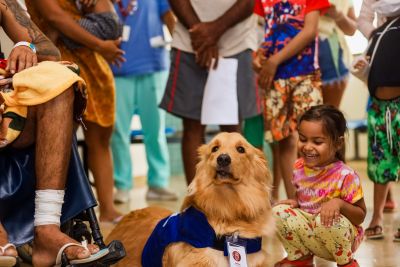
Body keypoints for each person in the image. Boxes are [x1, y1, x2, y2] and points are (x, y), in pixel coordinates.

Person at [0, 1, 105, 266]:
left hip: (6, 102)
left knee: (59, 80)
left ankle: (46, 229)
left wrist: (25, 45)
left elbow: (50, 52)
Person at [26, 0, 125, 223]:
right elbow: (54, 17)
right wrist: (100, 45)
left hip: (93, 61)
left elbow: (109, 20)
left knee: (100, 140)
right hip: (56, 58)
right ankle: (55, 215)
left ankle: (107, 208)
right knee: (56, 140)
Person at [159, 0, 263, 185]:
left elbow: (249, 3)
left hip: (237, 41)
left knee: (233, 129)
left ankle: (238, 201)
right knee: (192, 127)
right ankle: (195, 202)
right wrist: (202, 34)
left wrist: (212, 31)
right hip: (190, 40)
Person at [253, 0, 330, 200]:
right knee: (284, 142)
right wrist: (257, 56)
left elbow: (310, 30)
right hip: (274, 78)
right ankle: (295, 202)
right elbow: (261, 32)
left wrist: (274, 60)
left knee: (314, 135)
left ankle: (318, 199)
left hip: (305, 75)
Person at [273, 105, 366, 267]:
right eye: (303, 139)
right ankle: (301, 257)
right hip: (311, 234)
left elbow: (361, 215)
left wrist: (339, 204)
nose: (308, 146)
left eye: (317, 141)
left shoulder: (346, 176)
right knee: (277, 212)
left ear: (338, 143)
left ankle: (347, 263)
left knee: (325, 221)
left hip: (338, 240)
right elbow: (302, 193)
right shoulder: (299, 167)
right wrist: (296, 202)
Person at [111, 0, 177, 202]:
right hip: (117, 67)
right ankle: (122, 185)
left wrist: (181, 49)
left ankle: (158, 183)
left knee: (155, 131)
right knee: (118, 132)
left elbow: (169, 18)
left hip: (154, 65)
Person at [353, 11, 400, 241]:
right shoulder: (379, 32)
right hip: (378, 108)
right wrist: (362, 66)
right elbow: (368, 65)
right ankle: (377, 217)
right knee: (379, 164)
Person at [318, 0, 357, 108]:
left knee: (328, 114)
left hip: (333, 60)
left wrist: (338, 15)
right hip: (302, 58)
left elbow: (352, 30)